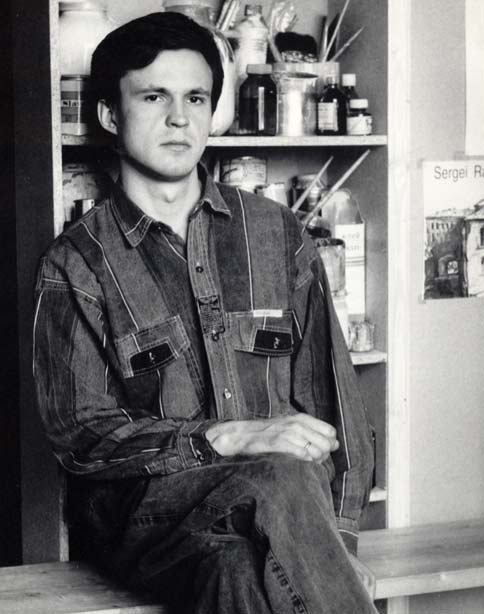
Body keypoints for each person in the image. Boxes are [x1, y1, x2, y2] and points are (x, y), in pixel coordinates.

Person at [34, 11, 377, 614]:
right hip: (144, 522)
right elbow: (81, 436)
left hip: (271, 518)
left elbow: (334, 402)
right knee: (278, 472)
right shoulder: (76, 262)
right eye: (154, 97)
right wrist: (226, 438)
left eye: (195, 98)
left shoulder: (276, 232)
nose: (179, 117)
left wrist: (336, 544)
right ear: (109, 115)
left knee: (236, 567)